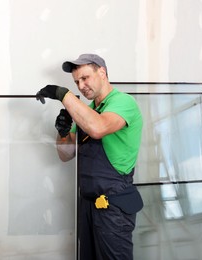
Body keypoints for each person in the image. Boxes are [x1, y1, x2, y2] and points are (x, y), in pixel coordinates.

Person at [36, 53, 143, 260]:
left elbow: (98, 127)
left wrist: (63, 94)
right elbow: (65, 155)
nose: (81, 85)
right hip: (88, 205)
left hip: (113, 207)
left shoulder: (123, 102)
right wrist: (63, 132)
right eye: (76, 82)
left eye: (85, 78)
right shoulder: (89, 111)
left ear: (102, 72)